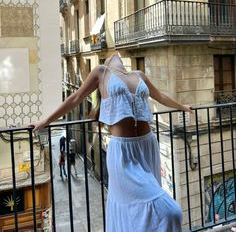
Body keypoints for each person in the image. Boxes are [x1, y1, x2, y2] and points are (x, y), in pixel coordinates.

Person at [32, 53, 193, 231]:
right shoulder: (102, 72)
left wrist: (183, 106)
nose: (114, 54)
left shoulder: (139, 75)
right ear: (107, 61)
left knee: (141, 206)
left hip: (147, 145)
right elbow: (75, 98)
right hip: (123, 152)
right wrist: (46, 121)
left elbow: (161, 96)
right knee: (169, 210)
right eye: (110, 56)